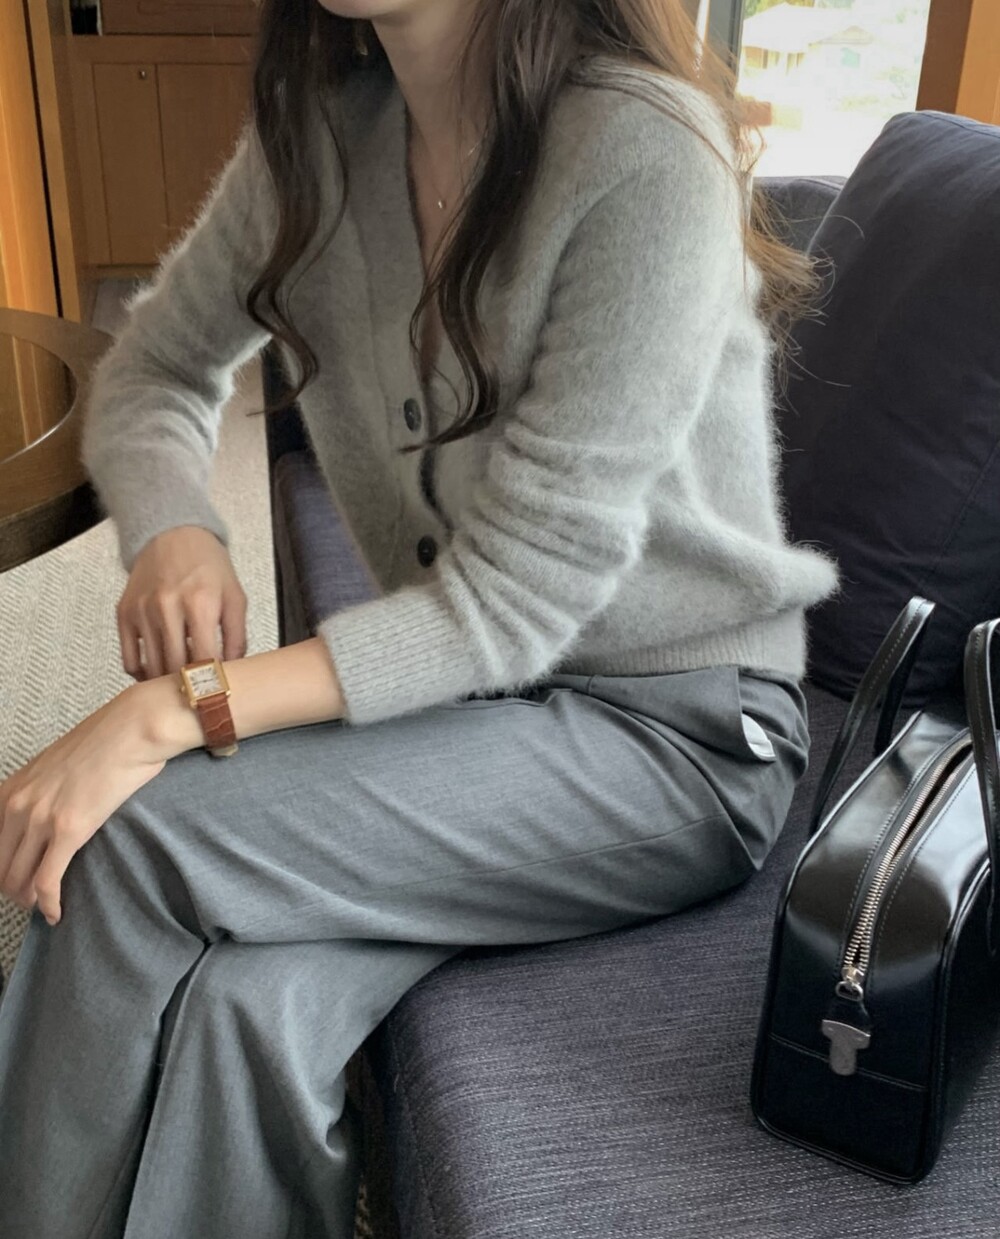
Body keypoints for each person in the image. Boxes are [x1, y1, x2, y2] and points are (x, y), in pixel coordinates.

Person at [0, 0, 840, 1235]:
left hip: (679, 737)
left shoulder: (645, 147)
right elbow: (153, 369)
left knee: (129, 833)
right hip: (466, 698)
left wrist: (178, 710)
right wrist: (177, 526)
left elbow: (518, 593)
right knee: (251, 1009)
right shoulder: (319, 144)